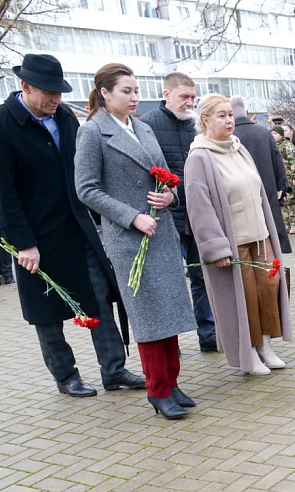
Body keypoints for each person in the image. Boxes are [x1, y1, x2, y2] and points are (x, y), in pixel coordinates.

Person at [0, 54, 143, 398]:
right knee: (47, 310)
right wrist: (22, 242)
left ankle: (114, 369)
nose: (56, 100)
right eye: (48, 92)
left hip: (78, 227)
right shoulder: (0, 123)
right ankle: (66, 376)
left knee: (99, 297)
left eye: (59, 92)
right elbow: (1, 191)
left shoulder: (64, 118)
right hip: (34, 235)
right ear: (25, 86)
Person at [75, 63, 195, 418]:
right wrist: (132, 216)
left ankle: (172, 382)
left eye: (136, 91)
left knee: (169, 311)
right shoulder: (93, 132)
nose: (134, 97)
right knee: (148, 315)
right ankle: (157, 390)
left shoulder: (141, 126)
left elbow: (166, 176)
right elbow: (86, 189)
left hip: (160, 231)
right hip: (130, 239)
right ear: (105, 93)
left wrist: (170, 197)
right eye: (126, 91)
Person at [184, 94, 292, 377]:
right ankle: (251, 351)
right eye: (221, 115)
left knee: (269, 288)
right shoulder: (199, 157)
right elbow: (199, 206)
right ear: (205, 120)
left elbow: (257, 190)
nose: (229, 120)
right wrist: (216, 247)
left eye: (230, 114)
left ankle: (267, 344)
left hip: (260, 234)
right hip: (234, 241)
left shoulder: (239, 148)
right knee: (245, 296)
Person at [141, 72, 217, 353]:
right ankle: (169, 341)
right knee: (169, 281)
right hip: (165, 218)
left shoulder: (195, 127)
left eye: (192, 97)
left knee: (202, 276)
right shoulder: (147, 125)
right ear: (166, 94)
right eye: (184, 96)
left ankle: (208, 333)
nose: (189, 103)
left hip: (197, 215)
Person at [230, 96, 292, 253]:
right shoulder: (264, 132)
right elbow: (278, 161)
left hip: (242, 196)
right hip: (269, 189)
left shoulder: (230, 136)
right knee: (273, 239)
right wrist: (281, 186)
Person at [272, 126, 295, 235]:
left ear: (281, 135)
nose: (273, 136)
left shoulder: (288, 145)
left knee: (292, 201)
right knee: (283, 201)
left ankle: (294, 224)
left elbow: (294, 161)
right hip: (279, 179)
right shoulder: (273, 146)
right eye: (272, 134)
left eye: (275, 134)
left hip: (289, 177)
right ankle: (286, 224)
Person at [0, 205, 15, 287]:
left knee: (4, 244)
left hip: (0, 215)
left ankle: (7, 275)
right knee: (4, 244)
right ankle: (6, 276)